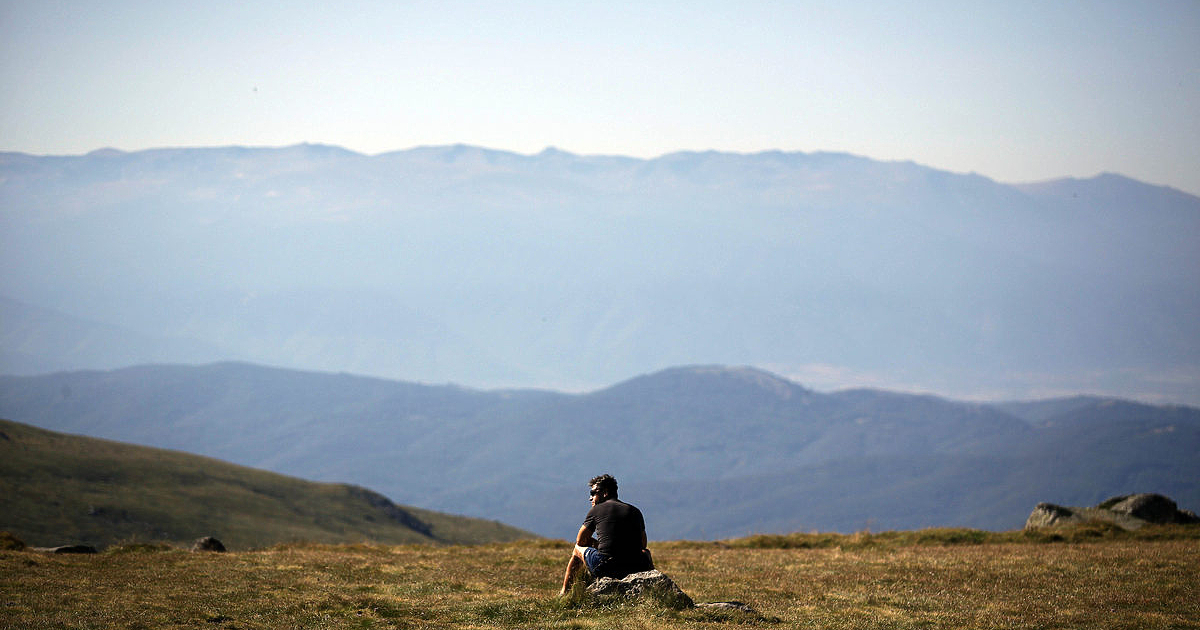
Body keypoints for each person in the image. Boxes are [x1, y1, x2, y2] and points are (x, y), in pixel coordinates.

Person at [559, 474, 654, 595]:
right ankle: (652, 586)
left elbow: (580, 541)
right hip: (636, 566)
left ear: (605, 492)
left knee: (577, 549)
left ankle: (565, 592)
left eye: (593, 493)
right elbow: (643, 544)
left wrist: (596, 544)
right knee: (646, 553)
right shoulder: (635, 511)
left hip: (605, 567)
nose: (590, 498)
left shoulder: (596, 510)